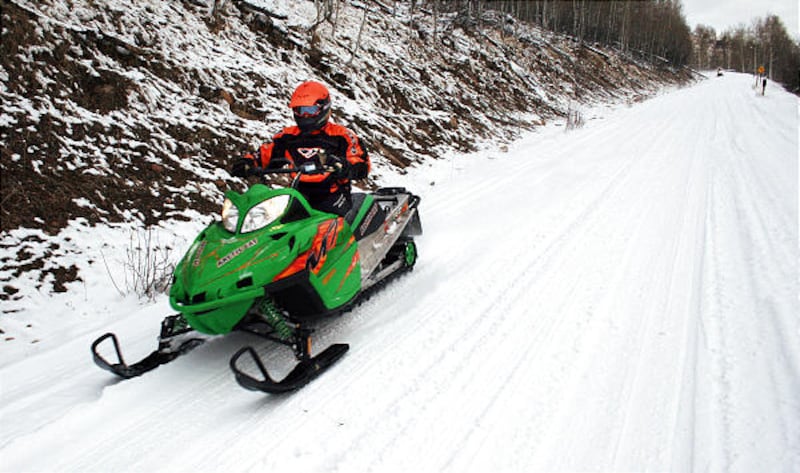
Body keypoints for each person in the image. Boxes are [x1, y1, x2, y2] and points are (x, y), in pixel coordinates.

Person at [231, 81, 370, 216]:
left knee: (324, 226)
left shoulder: (342, 136)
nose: (305, 115)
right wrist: (248, 162)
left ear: (324, 108)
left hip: (333, 196)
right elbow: (265, 154)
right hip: (297, 195)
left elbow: (361, 163)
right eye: (300, 110)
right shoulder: (287, 136)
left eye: (310, 110)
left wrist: (344, 166)